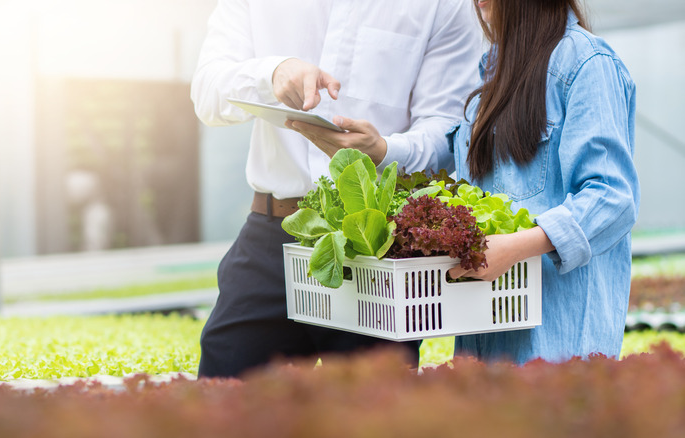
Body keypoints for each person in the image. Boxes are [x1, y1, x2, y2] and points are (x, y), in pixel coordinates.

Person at [191, 0, 483, 378]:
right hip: (271, 236)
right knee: (221, 406)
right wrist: (272, 73)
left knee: (368, 416)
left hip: (376, 247)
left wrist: (384, 151)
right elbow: (208, 93)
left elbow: (448, 127)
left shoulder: (444, 4)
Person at [447, 0, 640, 364]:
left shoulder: (587, 63)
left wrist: (516, 247)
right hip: (484, 336)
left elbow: (612, 198)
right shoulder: (492, 68)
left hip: (556, 341)